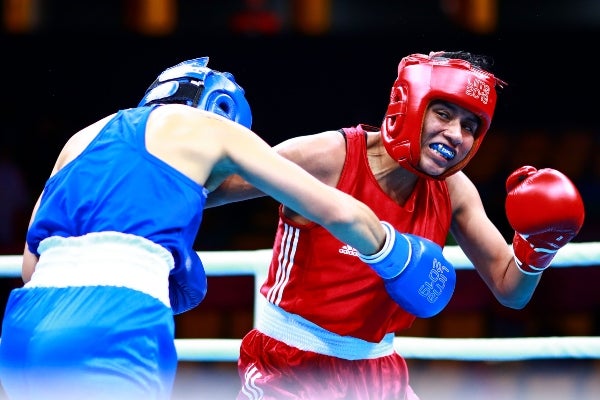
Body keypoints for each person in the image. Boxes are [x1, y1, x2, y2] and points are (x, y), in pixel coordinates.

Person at [0, 57, 436, 400]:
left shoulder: (80, 139)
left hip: (24, 322)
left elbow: (30, 267)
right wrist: (395, 254)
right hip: (115, 316)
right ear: (222, 109)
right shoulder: (212, 128)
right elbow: (337, 211)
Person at [206, 51, 586, 399]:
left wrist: (538, 248)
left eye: (470, 125)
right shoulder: (328, 157)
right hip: (291, 364)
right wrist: (187, 138)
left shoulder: (454, 191)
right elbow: (210, 191)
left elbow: (510, 290)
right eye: (443, 114)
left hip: (379, 372)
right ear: (411, 105)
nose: (456, 135)